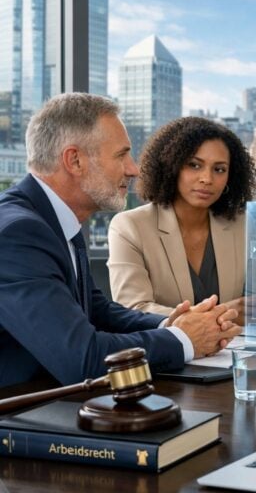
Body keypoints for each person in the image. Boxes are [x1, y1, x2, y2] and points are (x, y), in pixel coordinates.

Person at [0, 93, 241, 388]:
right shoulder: (18, 234)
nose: (133, 169)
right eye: (121, 155)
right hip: (20, 417)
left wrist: (170, 323)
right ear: (74, 160)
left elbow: (97, 311)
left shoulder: (54, 221)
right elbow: (83, 359)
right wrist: (184, 339)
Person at [107, 117, 256, 326]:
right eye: (194, 165)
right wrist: (220, 314)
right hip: (167, 354)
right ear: (172, 166)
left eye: (219, 169)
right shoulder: (129, 227)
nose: (207, 178)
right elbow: (133, 308)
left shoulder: (241, 225)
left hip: (233, 353)